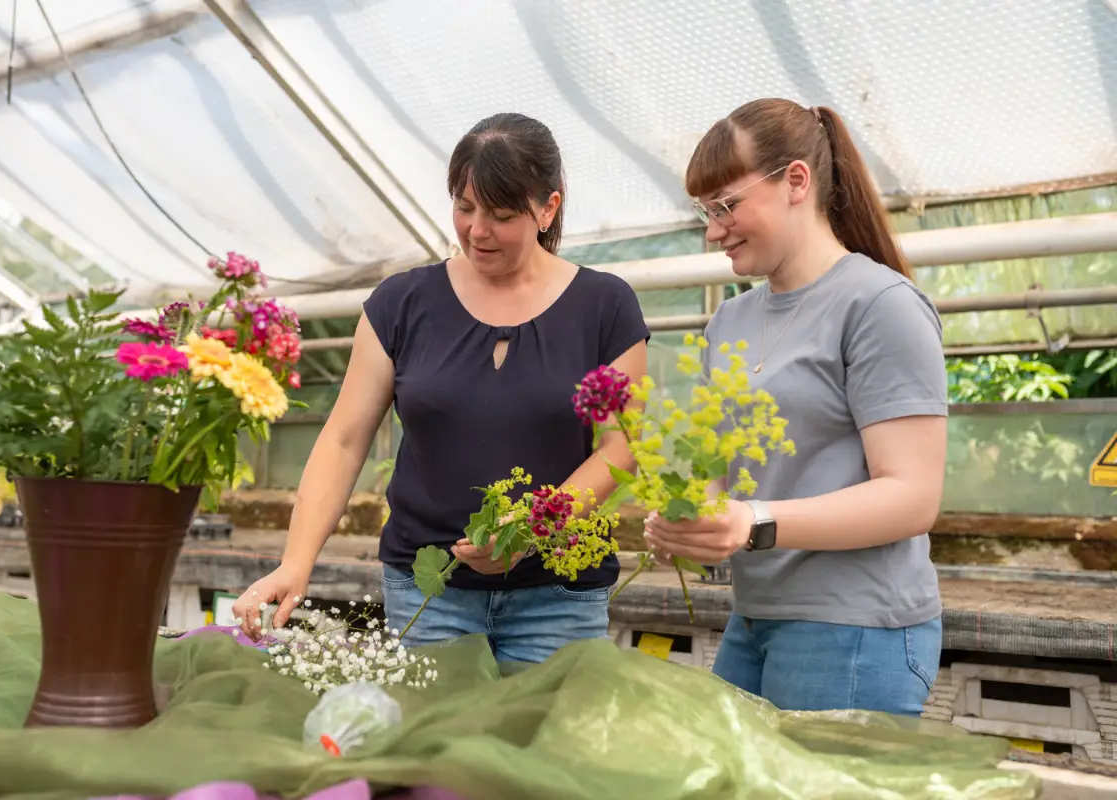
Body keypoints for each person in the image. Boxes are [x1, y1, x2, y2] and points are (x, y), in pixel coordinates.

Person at [232, 112, 649, 664]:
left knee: (547, 746)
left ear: (548, 207)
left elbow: (621, 448)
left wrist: (532, 528)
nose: (478, 230)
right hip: (430, 594)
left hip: (559, 600)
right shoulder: (402, 304)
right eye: (464, 207)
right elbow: (344, 439)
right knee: (434, 747)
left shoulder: (604, 306)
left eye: (501, 215)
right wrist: (296, 561)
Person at [644, 98, 947, 717]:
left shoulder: (878, 304)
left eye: (727, 205)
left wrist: (750, 521)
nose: (712, 229)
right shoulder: (730, 320)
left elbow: (913, 497)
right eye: (705, 211)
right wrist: (688, 522)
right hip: (755, 619)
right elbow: (719, 477)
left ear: (796, 183)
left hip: (858, 629)